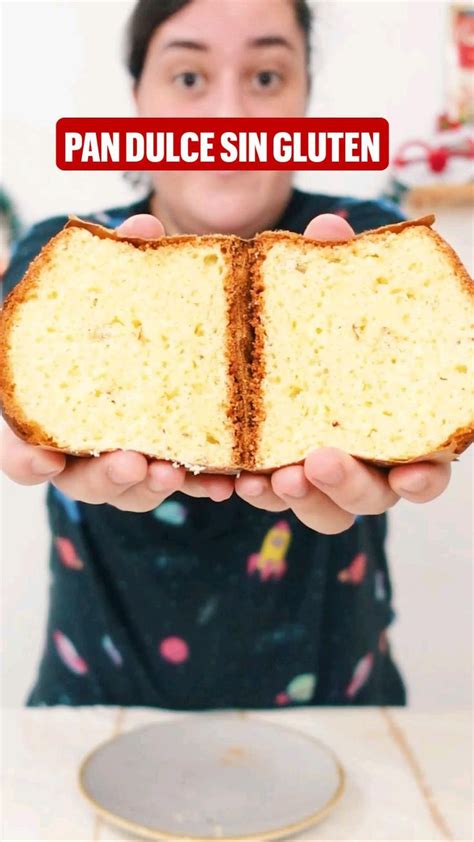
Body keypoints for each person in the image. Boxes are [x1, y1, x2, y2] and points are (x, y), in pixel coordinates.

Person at [2, 0, 452, 709]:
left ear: (306, 99)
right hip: (93, 716)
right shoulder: (61, 260)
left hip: (344, 718)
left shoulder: (374, 248)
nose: (230, 115)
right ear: (136, 103)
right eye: (187, 78)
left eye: (268, 76)